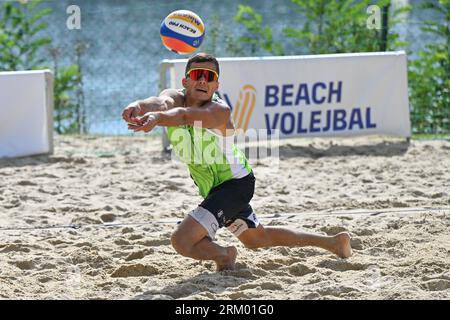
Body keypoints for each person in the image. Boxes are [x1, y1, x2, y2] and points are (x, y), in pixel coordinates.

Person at [122, 53, 352, 271]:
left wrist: (156, 119)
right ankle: (332, 243)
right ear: (185, 80)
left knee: (182, 240)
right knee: (257, 239)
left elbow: (183, 116)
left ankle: (223, 255)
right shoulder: (173, 98)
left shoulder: (219, 110)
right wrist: (139, 107)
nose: (203, 80)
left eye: (209, 76)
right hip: (215, 189)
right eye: (196, 75)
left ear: (216, 85)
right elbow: (160, 103)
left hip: (235, 186)